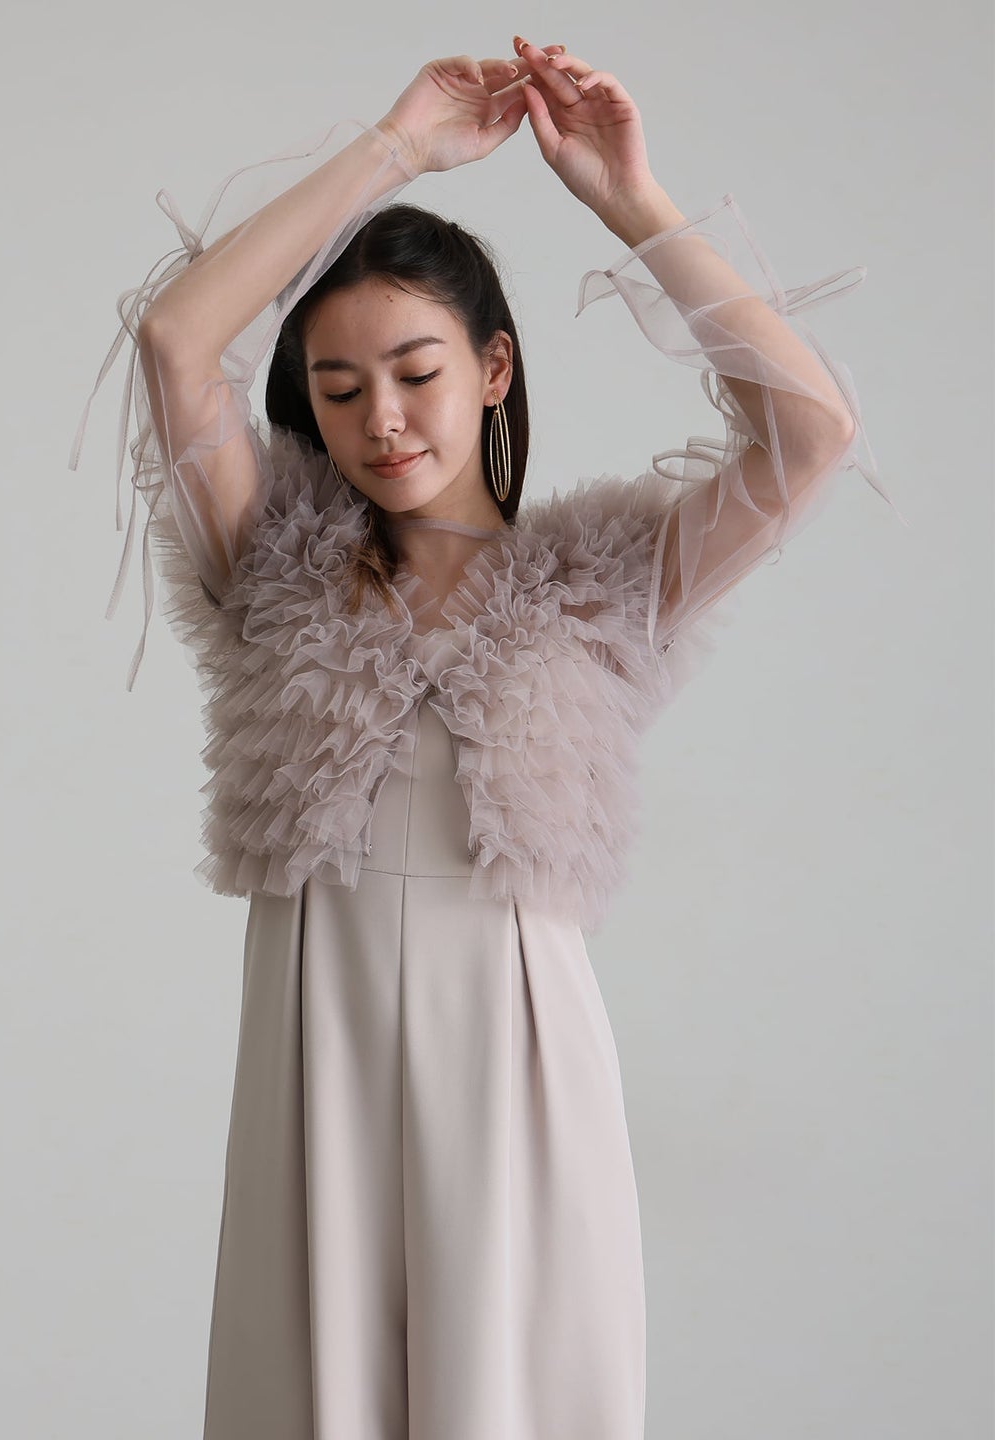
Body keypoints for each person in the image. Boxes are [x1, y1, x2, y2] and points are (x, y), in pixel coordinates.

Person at [69, 39, 902, 1439]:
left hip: (520, 1078)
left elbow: (811, 433)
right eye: (339, 390)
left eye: (416, 371)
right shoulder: (270, 564)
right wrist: (396, 146)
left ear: (494, 366)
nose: (382, 419)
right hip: (318, 1072)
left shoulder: (602, 586)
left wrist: (632, 204)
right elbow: (174, 342)